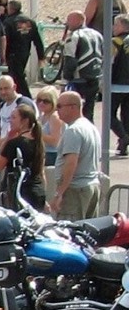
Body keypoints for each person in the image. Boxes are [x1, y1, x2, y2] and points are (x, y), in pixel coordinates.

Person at [51, 89, 102, 218]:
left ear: (73, 107)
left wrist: (59, 193)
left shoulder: (73, 131)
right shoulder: (90, 127)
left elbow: (71, 163)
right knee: (87, 233)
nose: (57, 111)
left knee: (70, 233)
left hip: (75, 190)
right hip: (90, 187)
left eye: (60, 106)